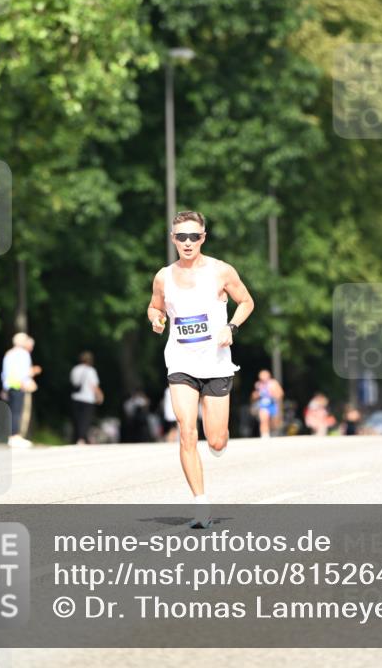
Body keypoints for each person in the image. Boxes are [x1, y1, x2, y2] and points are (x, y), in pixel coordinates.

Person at [147, 209, 254, 527]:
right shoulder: (163, 276)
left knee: (216, 440)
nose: (188, 242)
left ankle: (220, 438)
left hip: (216, 363)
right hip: (180, 361)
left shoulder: (221, 271)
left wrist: (231, 327)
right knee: (186, 431)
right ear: (173, 239)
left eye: (194, 236)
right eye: (182, 236)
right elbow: (154, 306)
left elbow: (246, 301)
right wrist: (156, 318)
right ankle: (200, 505)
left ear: (203, 238)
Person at [1, 332, 36, 448]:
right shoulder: (24, 354)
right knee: (17, 412)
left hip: (10, 385)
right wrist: (26, 382)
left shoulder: (9, 353)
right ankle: (15, 436)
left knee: (12, 411)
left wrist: (4, 387)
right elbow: (24, 372)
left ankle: (11, 435)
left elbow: (5, 372)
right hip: (19, 385)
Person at [70, 351, 104, 444]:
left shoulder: (75, 369)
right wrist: (100, 395)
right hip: (87, 398)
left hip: (76, 397)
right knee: (85, 419)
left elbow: (73, 383)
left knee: (77, 419)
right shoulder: (91, 370)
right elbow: (94, 386)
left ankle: (76, 438)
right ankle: (81, 438)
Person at [19, 335, 42, 439]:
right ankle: (19, 435)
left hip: (20, 385)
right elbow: (24, 372)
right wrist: (34, 370)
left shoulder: (17, 354)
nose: (32, 348)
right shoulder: (24, 355)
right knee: (23, 412)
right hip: (23, 386)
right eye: (30, 346)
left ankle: (19, 435)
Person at [251, 368, 284, 439]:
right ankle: (264, 435)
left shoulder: (273, 383)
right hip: (263, 405)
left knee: (274, 423)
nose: (263, 378)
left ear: (268, 376)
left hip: (273, 404)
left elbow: (280, 393)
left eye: (264, 376)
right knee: (264, 420)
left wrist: (273, 394)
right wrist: (256, 395)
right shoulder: (258, 384)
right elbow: (253, 396)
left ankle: (273, 432)